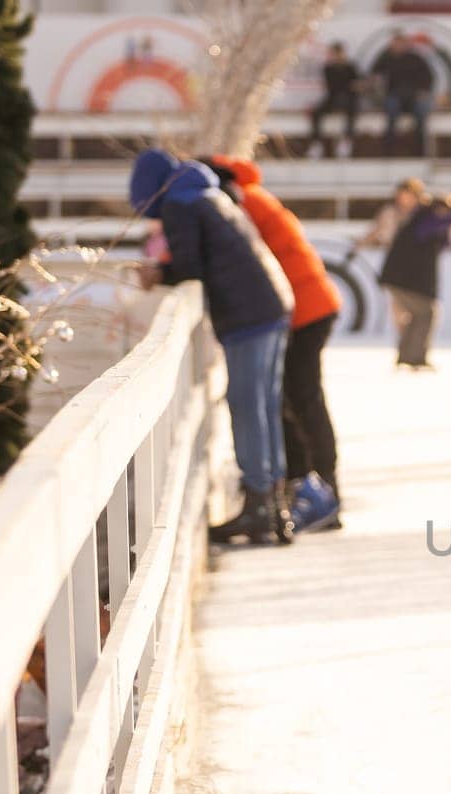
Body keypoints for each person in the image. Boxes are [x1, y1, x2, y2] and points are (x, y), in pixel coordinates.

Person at [128, 149, 295, 546]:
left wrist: (159, 272)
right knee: (264, 406)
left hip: (247, 314)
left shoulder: (180, 205)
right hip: (269, 304)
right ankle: (273, 503)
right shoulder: (206, 192)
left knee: (245, 404)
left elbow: (191, 267)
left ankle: (258, 504)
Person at [206, 155, 345, 533]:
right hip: (305, 304)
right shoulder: (251, 195)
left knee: (301, 399)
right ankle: (310, 486)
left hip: (305, 309)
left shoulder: (241, 203)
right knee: (292, 399)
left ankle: (321, 489)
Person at [375, 178, 451, 371]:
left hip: (405, 279)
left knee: (420, 314)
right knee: (427, 312)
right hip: (403, 279)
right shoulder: (425, 218)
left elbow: (442, 242)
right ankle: (414, 357)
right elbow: (450, 219)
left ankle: (408, 356)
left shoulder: (425, 220)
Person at [369, 31, 435, 157]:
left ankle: (419, 149)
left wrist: (423, 91)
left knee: (422, 113)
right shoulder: (386, 59)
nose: (397, 46)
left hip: (414, 96)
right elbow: (374, 74)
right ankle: (389, 149)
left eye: (400, 44)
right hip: (395, 96)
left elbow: (428, 77)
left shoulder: (415, 58)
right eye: (395, 44)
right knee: (391, 110)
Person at [308, 42, 360, 159]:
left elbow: (356, 85)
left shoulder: (350, 67)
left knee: (352, 109)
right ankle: (316, 143)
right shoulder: (328, 68)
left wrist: (350, 86)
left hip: (348, 99)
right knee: (316, 113)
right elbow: (335, 86)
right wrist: (348, 85)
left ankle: (346, 141)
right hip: (333, 98)